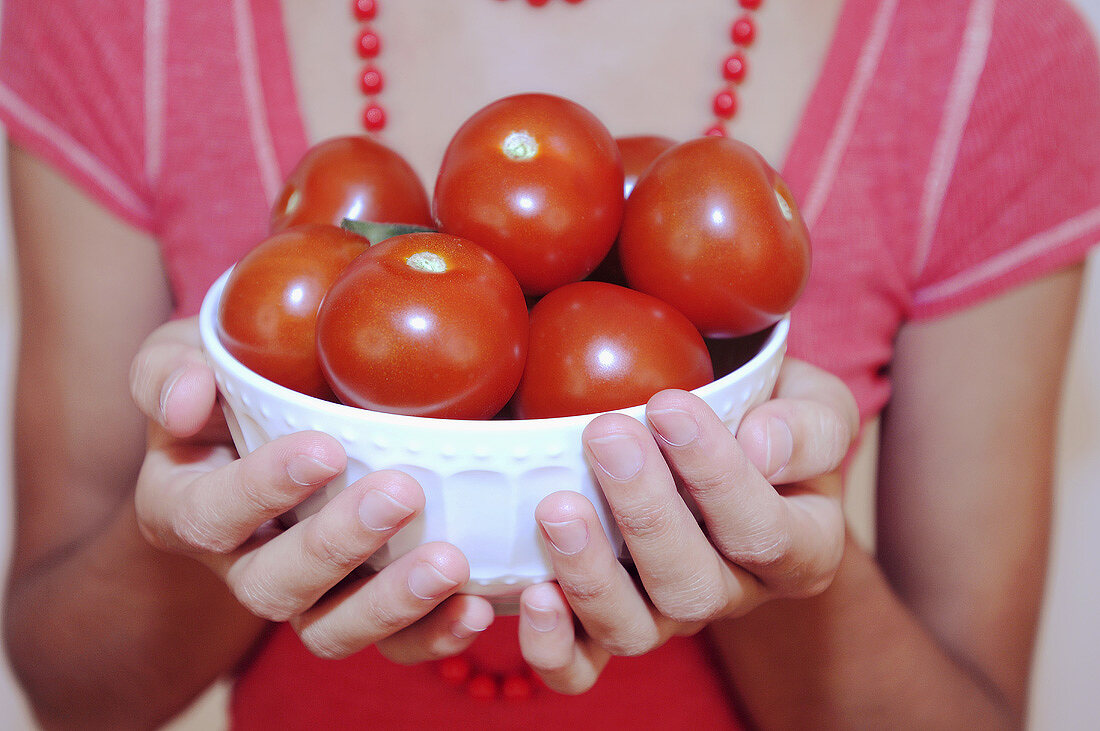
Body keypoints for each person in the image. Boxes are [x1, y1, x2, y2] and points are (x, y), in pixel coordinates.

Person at [2, 0, 1098, 728]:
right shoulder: (117, 22)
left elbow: (974, 708)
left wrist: (778, 557)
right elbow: (66, 685)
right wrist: (224, 494)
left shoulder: (984, 60)